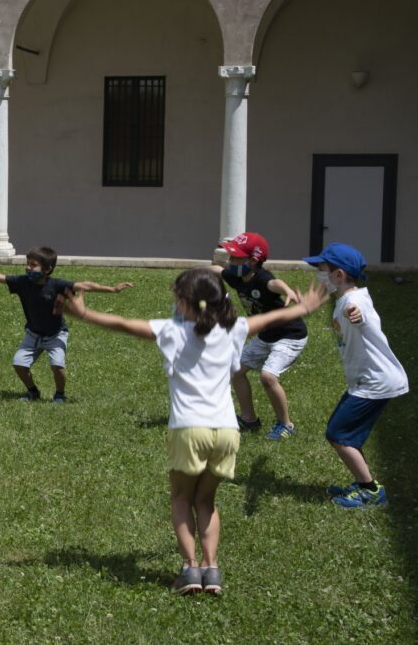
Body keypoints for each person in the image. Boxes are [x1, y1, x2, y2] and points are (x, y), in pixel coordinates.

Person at [62, 268, 324, 594]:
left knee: (181, 498)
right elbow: (269, 321)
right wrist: (304, 308)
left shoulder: (173, 332)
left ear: (185, 303)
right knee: (206, 502)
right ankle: (211, 570)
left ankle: (190, 570)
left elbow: (124, 325)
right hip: (227, 432)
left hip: (189, 429)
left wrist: (85, 314)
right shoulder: (235, 329)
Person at [303, 243, 409, 509]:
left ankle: (370, 490)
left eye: (322, 269)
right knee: (343, 433)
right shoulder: (350, 298)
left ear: (338, 275)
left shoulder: (354, 302)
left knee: (338, 434)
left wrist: (356, 316)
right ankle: (363, 482)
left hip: (375, 382)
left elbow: (362, 317)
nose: (318, 274)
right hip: (366, 381)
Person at [0, 246, 133, 402]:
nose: (27, 268)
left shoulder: (57, 285)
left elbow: (84, 285)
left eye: (33, 265)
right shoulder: (22, 283)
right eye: (27, 263)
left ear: (48, 269)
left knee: (57, 366)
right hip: (33, 334)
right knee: (19, 364)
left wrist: (112, 289)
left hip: (56, 335)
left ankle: (60, 394)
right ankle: (33, 392)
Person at [210, 232, 308, 440]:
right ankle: (249, 419)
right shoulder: (237, 276)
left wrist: (288, 290)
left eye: (235, 257)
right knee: (236, 370)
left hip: (290, 335)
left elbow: (275, 284)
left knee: (268, 377)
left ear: (253, 261)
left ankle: (286, 425)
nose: (230, 261)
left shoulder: (263, 278)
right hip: (266, 335)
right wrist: (192, 276)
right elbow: (217, 271)